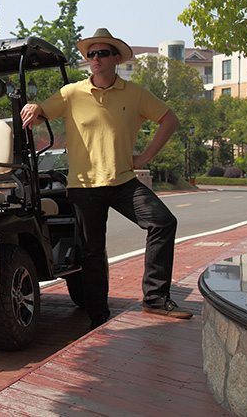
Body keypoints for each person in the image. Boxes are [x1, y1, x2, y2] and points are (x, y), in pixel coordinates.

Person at [21, 28, 193, 330]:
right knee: (93, 253)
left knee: (163, 222)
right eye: (91, 54)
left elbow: (170, 119)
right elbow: (39, 113)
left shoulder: (134, 93)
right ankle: (98, 315)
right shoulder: (71, 94)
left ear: (115, 59)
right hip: (85, 187)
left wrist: (145, 157)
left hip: (123, 182)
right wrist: (33, 107)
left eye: (102, 53)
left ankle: (155, 298)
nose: (95, 59)